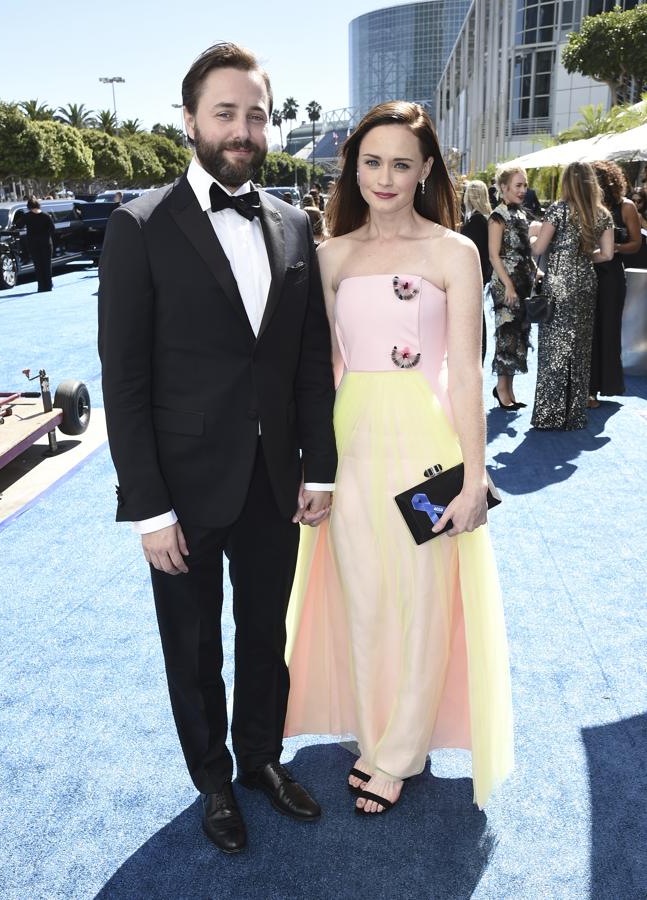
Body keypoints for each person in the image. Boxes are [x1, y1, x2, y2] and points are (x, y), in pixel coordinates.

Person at [98, 42, 337, 855]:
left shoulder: (295, 223)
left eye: (256, 114)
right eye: (226, 112)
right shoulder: (138, 226)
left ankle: (262, 759)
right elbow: (123, 383)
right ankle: (211, 781)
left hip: (276, 480)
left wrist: (322, 468)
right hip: (183, 491)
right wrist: (148, 509)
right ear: (191, 119)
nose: (242, 129)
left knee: (264, 635)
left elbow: (307, 361)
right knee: (193, 648)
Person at [284, 101, 514, 815]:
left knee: (421, 598)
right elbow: (321, 370)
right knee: (361, 594)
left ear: (424, 172)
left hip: (426, 447)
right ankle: (371, 725)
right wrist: (310, 469)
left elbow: (469, 373)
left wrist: (476, 477)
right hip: (349, 443)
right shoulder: (330, 256)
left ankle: (400, 751)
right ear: (354, 167)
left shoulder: (454, 252)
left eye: (401, 164)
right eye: (372, 161)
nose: (385, 177)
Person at [529, 162, 614, 430]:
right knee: (580, 348)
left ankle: (549, 414)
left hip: (559, 284)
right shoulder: (602, 214)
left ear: (568, 182)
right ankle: (573, 414)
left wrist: (532, 236)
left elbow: (539, 247)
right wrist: (585, 256)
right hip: (586, 283)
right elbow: (608, 255)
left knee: (554, 347)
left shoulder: (559, 209)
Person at [588, 161, 643, 406]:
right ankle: (587, 388)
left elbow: (636, 243)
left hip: (611, 275)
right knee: (587, 330)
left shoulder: (626, 207)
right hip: (586, 272)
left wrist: (613, 247)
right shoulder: (588, 207)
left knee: (609, 329)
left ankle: (606, 385)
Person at [488, 165, 535, 409]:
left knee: (519, 336)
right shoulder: (498, 216)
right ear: (503, 188)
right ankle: (501, 389)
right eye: (518, 185)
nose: (523, 190)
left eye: (524, 185)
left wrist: (537, 270)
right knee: (506, 335)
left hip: (523, 282)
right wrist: (508, 285)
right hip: (505, 283)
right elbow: (494, 256)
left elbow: (525, 251)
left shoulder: (521, 214)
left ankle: (509, 390)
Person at [460, 180, 493, 362]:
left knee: (474, 317)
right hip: (480, 276)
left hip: (474, 276)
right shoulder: (484, 219)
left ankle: (477, 354)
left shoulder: (476, 221)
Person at [25, 197, 56, 292]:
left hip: (33, 244)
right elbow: (52, 229)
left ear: (29, 207)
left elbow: (18, 225)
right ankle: (49, 285)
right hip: (46, 243)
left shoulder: (27, 216)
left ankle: (41, 286)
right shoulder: (46, 216)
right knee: (47, 264)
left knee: (38, 265)